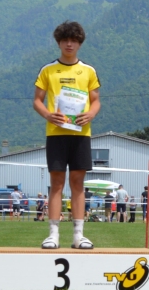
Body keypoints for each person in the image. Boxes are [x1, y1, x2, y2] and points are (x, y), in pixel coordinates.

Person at [34, 21, 100, 249]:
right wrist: (48, 115)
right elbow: (37, 100)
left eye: (73, 40)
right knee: (56, 182)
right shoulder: (48, 70)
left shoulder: (88, 70)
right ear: (59, 43)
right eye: (65, 40)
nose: (69, 44)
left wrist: (90, 114)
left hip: (81, 134)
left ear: (79, 43)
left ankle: (78, 236)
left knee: (78, 182)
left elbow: (96, 100)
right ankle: (53, 235)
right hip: (56, 134)